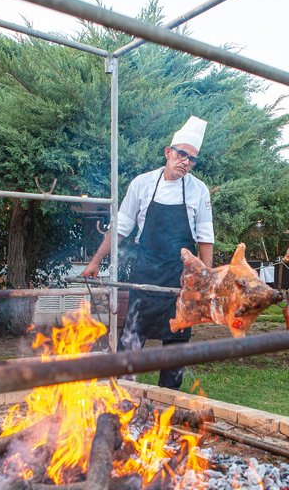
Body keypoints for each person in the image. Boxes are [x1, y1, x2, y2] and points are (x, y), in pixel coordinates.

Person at [81, 116, 214, 390]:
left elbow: (205, 237)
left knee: (175, 350)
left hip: (180, 279)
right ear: (168, 152)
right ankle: (119, 396)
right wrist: (95, 262)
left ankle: (169, 404)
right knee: (131, 342)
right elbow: (120, 228)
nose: (185, 162)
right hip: (146, 273)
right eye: (181, 154)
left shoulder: (199, 190)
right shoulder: (142, 184)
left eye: (192, 159)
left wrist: (205, 280)